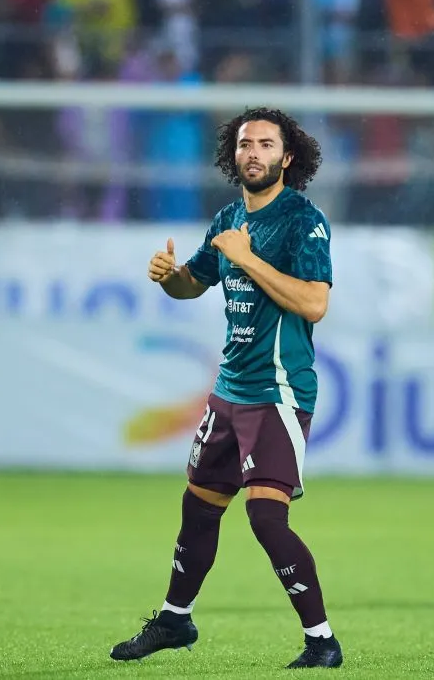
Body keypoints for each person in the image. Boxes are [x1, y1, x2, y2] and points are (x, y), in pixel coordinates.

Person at [110, 107, 342, 669]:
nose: (254, 152)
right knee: (199, 507)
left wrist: (248, 258)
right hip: (229, 391)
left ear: (287, 157)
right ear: (232, 154)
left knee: (266, 517)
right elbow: (194, 284)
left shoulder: (302, 221)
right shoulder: (227, 220)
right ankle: (174, 619)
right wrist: (171, 278)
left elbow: (315, 302)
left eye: (266, 144)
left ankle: (322, 642)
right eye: (245, 144)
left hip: (277, 392)